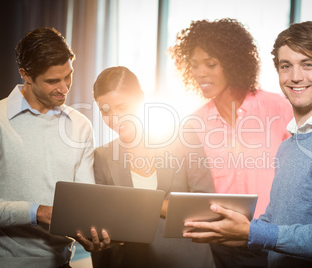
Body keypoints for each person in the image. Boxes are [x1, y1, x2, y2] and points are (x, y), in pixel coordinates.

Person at [183, 21, 312, 267]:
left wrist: (252, 233)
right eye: (286, 66)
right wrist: (239, 232)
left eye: (307, 64)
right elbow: (277, 222)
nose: (295, 77)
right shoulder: (291, 145)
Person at [169, 18, 293, 267]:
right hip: (221, 245)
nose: (200, 72)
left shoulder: (278, 107)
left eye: (211, 64)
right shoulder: (195, 123)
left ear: (233, 63)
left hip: (270, 241)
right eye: (194, 66)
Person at [76, 66, 216, 267]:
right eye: (105, 111)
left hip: (184, 260)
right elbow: (101, 219)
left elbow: (205, 206)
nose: (115, 118)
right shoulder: (101, 156)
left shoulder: (184, 139)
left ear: (141, 98)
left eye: (122, 107)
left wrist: (141, 203)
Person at [0, 28, 96, 267]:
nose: (64, 88)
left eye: (68, 76)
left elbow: (83, 204)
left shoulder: (81, 126)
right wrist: (36, 212)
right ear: (25, 75)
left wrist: (93, 233)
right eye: (52, 81)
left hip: (63, 263)